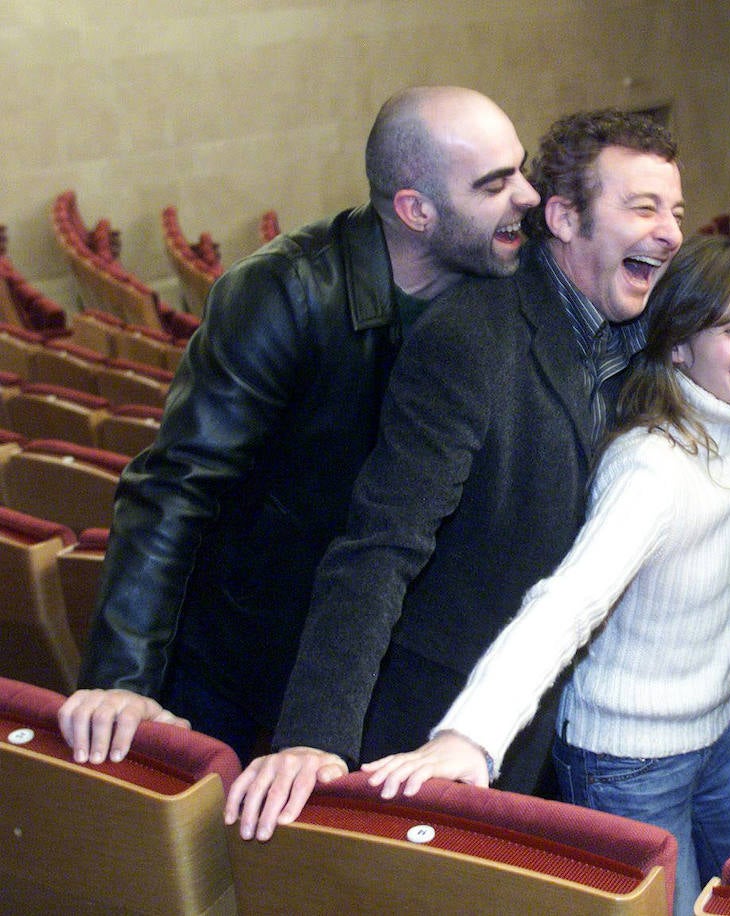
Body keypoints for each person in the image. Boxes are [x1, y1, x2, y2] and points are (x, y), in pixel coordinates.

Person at [223, 109, 685, 842]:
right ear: (563, 218)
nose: (671, 232)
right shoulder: (471, 336)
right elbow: (380, 542)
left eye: (676, 210)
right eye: (644, 208)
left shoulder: (644, 335)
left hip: (560, 729)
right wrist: (315, 735)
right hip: (432, 724)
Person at [57, 87, 539, 767]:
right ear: (416, 210)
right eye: (496, 183)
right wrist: (120, 680)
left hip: (383, 645)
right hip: (244, 638)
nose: (528, 196)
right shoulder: (285, 291)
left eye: (521, 169)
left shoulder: (501, 277)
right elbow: (174, 485)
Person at [362, 234, 730, 916]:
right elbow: (565, 603)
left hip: (715, 732)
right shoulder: (653, 467)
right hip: (629, 760)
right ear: (678, 346)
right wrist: (469, 735)